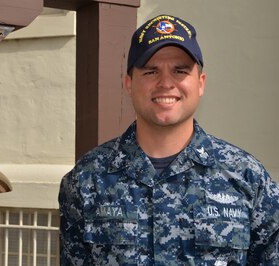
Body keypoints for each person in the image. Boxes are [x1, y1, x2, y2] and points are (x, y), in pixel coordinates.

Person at [58, 14, 279, 265]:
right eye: (151, 71)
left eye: (180, 70)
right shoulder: (87, 180)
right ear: (129, 84)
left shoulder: (248, 178)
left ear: (200, 83)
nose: (165, 83)